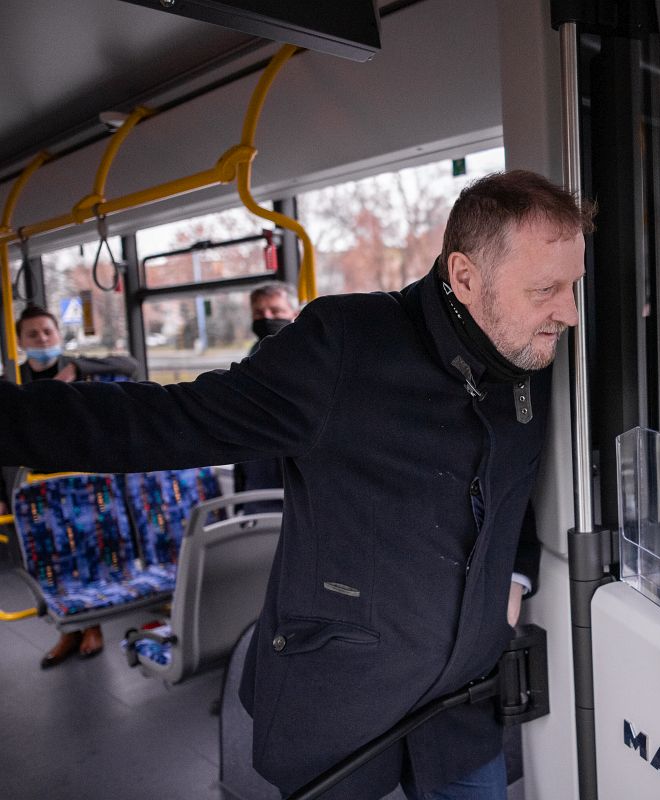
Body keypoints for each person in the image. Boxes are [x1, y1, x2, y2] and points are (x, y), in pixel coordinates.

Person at [0, 170, 592, 800]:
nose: (571, 312)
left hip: (461, 706)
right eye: (547, 289)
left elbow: (511, 491)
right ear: (467, 277)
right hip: (342, 700)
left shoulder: (528, 355)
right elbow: (167, 422)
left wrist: (514, 579)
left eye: (573, 286)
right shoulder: (345, 347)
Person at [10, 303, 142, 668]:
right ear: (20, 340)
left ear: (58, 334)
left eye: (47, 332)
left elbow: (129, 366)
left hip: (82, 482)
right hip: (35, 486)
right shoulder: (15, 380)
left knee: (89, 553)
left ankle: (92, 627)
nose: (42, 339)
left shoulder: (77, 368)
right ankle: (68, 630)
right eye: (33, 334)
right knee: (50, 561)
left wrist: (76, 368)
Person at [233, 282, 299, 513]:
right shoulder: (252, 355)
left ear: (295, 314)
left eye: (275, 311)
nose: (267, 318)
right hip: (258, 462)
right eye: (259, 313)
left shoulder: (308, 354)